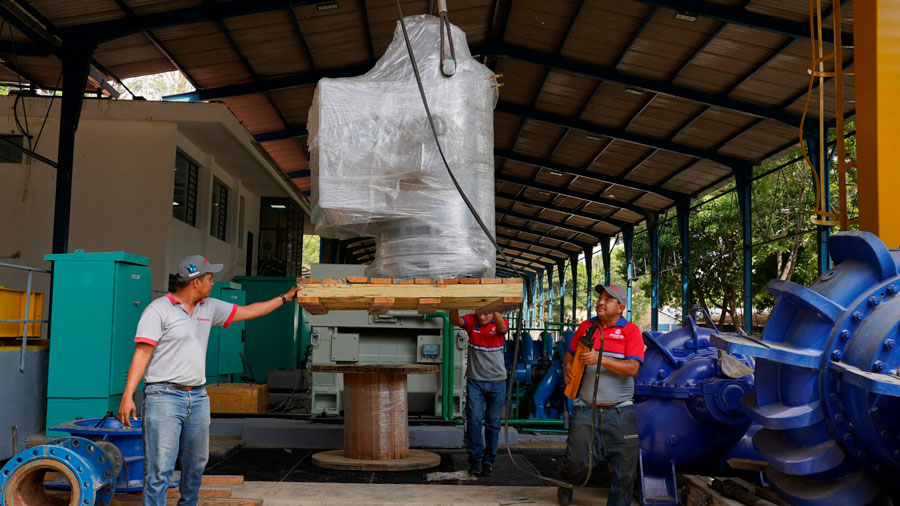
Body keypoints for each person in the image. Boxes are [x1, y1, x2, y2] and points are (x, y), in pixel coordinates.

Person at [116, 255, 298, 506]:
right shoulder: (158, 310)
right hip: (163, 397)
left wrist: (284, 298)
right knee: (160, 468)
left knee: (196, 464)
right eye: (210, 278)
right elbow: (142, 354)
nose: (213, 283)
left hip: (198, 398)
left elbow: (249, 311)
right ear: (196, 282)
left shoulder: (209, 307)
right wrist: (127, 396)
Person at [557, 284, 644, 506]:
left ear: (621, 307)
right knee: (577, 461)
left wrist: (601, 359)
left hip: (620, 411)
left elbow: (633, 368)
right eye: (600, 298)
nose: (601, 302)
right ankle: (567, 482)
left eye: (608, 299)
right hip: (586, 408)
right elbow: (570, 355)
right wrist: (567, 366)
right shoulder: (587, 327)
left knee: (624, 470)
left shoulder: (630, 331)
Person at [449, 309, 509, 476]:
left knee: (493, 424)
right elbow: (455, 321)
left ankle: (489, 462)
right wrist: (452, 305)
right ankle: (475, 459)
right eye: (480, 313)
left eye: (487, 314)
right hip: (475, 381)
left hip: (497, 383)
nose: (482, 317)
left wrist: (495, 310)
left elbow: (502, 329)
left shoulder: (500, 323)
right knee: (474, 420)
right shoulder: (471, 320)